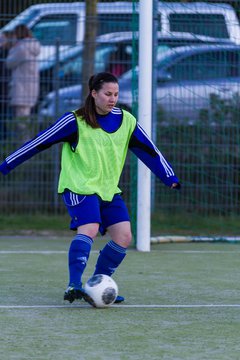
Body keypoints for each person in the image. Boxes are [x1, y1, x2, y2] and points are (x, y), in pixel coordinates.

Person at [0, 72, 181, 305]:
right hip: (79, 187)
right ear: (94, 93)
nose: (112, 98)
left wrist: (169, 177)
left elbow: (149, 150)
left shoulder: (127, 121)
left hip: (107, 190)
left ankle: (97, 285)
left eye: (115, 94)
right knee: (90, 228)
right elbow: (38, 142)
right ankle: (73, 285)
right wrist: (5, 166)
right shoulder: (74, 121)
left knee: (124, 237)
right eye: (107, 94)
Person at [6, 24, 40, 142]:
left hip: (21, 88)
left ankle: (26, 147)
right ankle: (26, 145)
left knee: (22, 121)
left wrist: (12, 48)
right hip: (29, 87)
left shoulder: (22, 48)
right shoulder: (32, 45)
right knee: (25, 118)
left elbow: (9, 63)